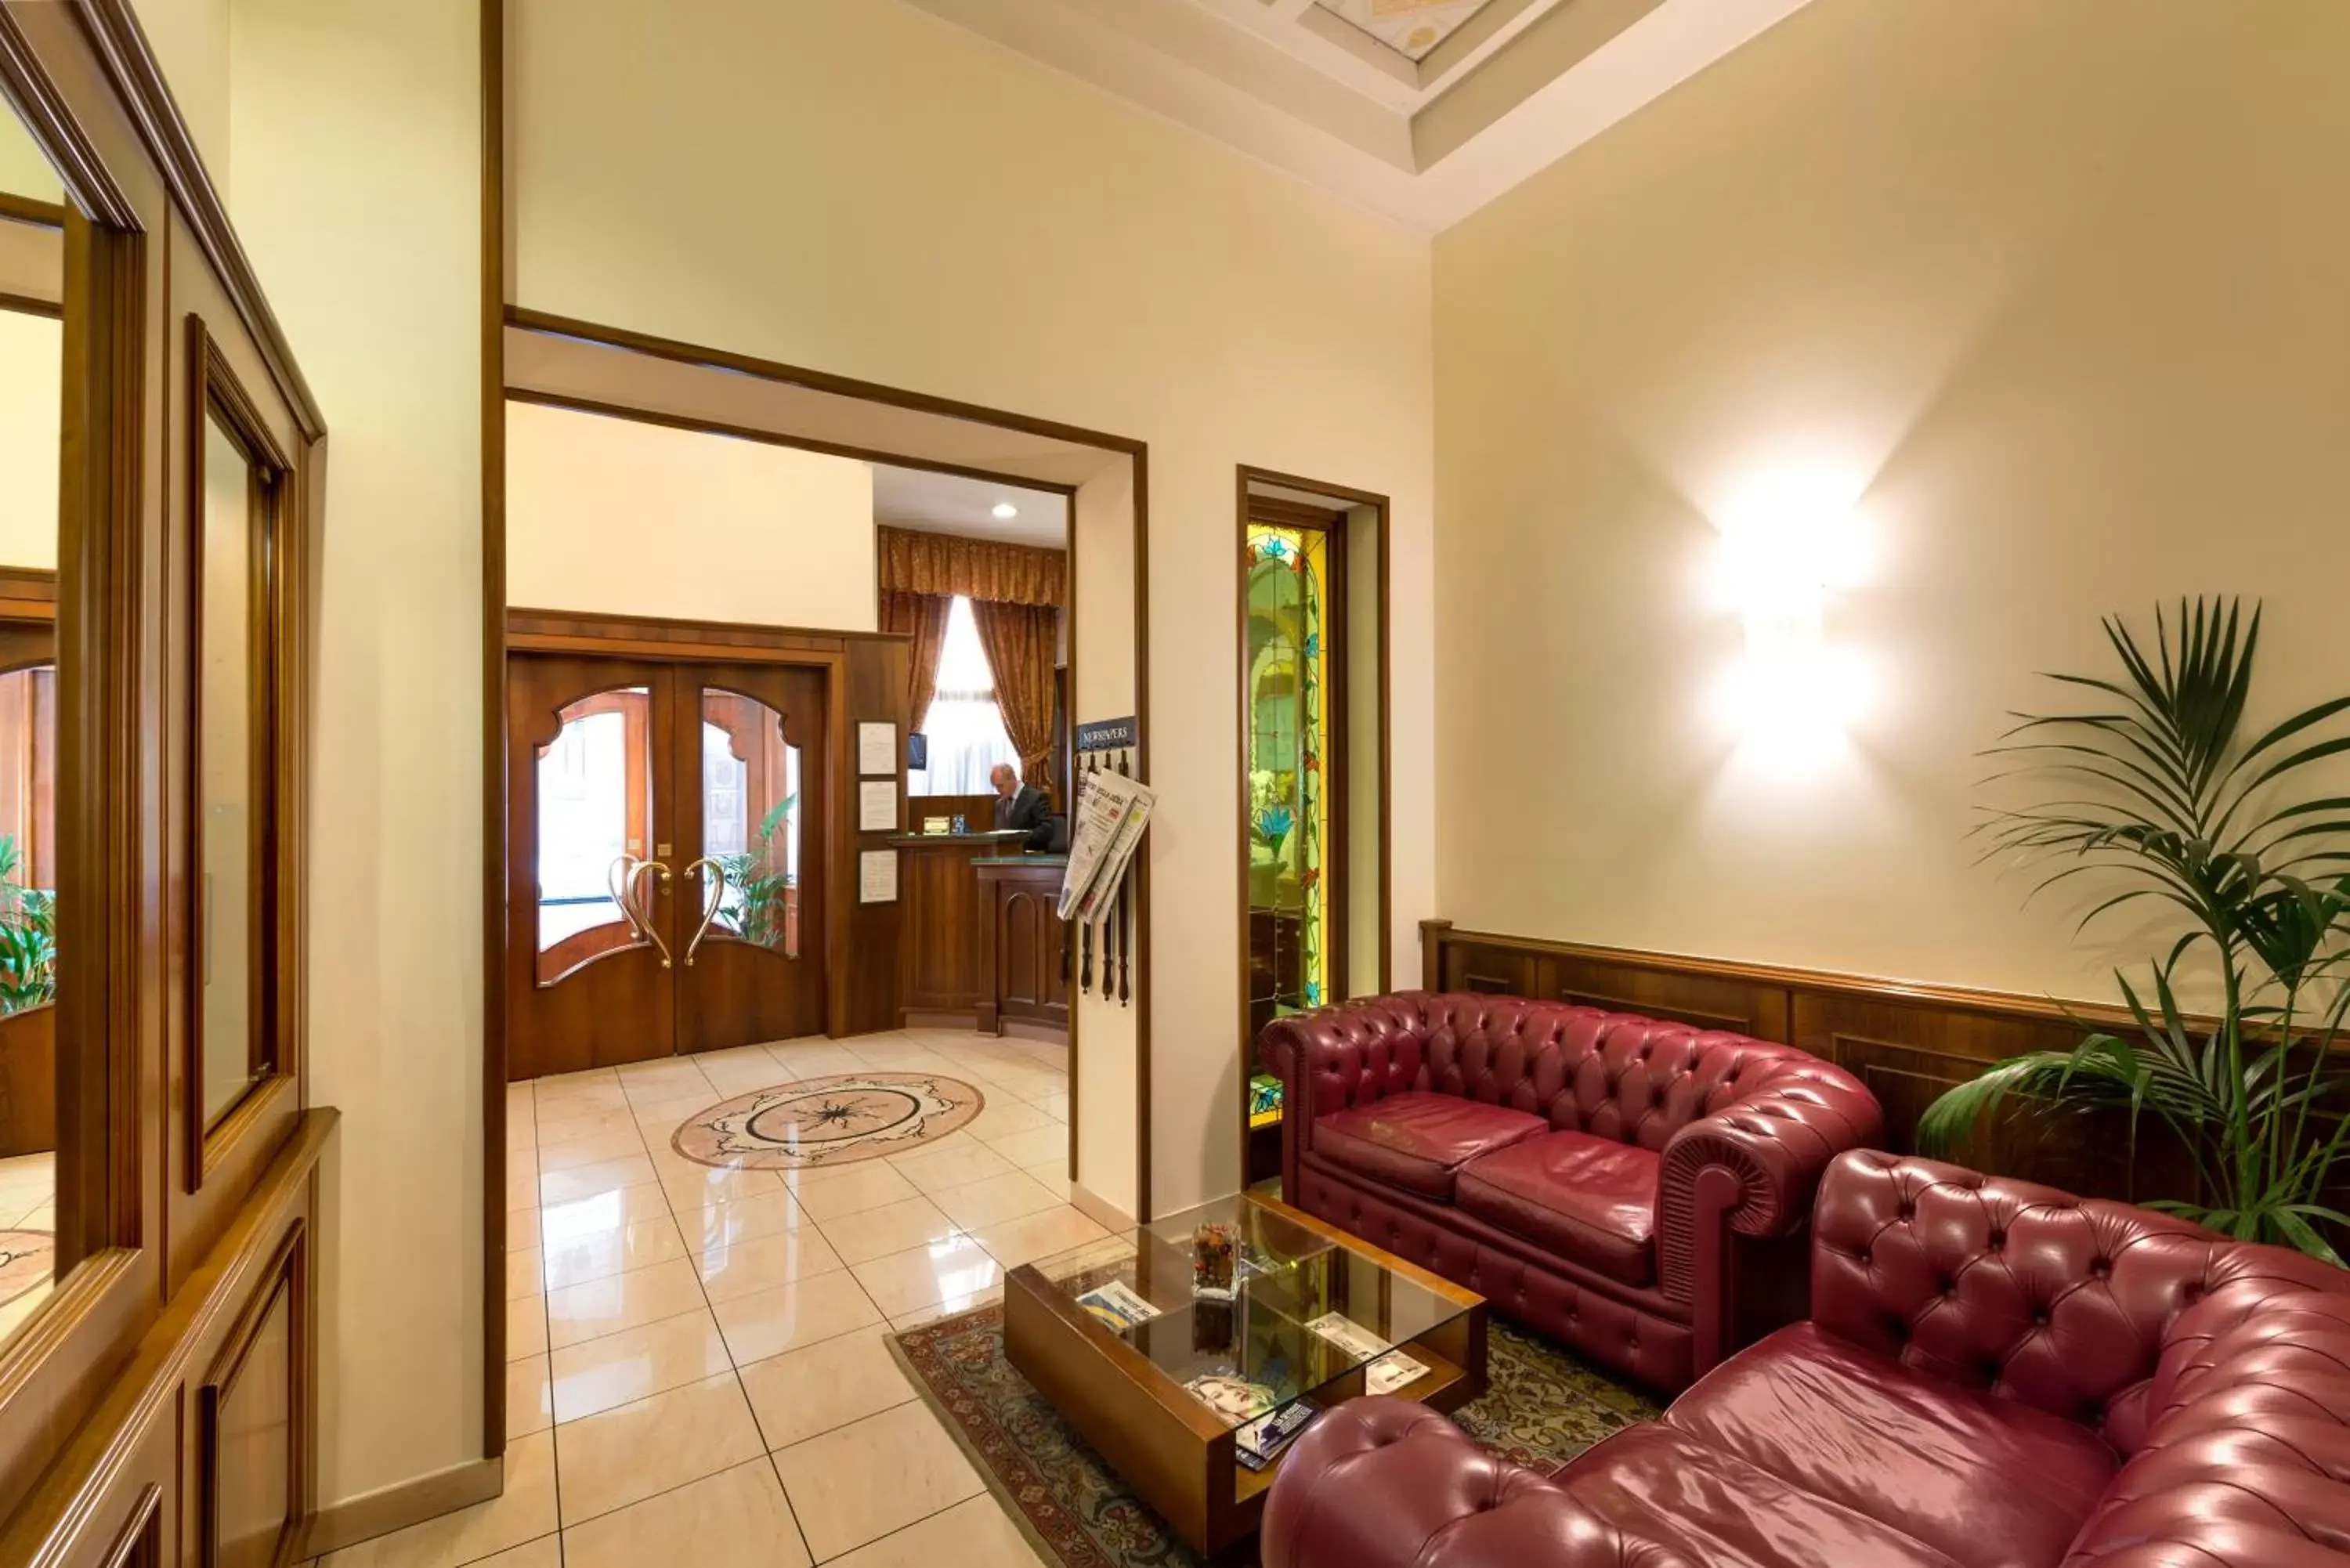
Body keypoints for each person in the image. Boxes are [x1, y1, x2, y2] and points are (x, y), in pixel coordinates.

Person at [989, 763, 1053, 846]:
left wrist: (1020, 838)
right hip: (1005, 854)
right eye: (995, 787)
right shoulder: (1000, 804)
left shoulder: (1035, 798)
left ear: (1012, 779)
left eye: (1000, 786)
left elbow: (1046, 830)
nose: (998, 790)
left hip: (1030, 853)